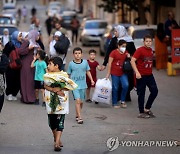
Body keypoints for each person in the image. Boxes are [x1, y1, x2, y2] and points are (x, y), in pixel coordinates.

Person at [44, 57, 77, 151]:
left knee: (60, 122)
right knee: (51, 123)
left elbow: (70, 86)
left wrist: (60, 89)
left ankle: (57, 143)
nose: (48, 66)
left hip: (62, 102)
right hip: (50, 102)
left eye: (50, 64)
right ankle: (56, 138)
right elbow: (45, 85)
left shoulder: (64, 76)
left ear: (56, 66)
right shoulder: (47, 76)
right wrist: (53, 89)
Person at [102, 25, 136, 102]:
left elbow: (134, 52)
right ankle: (118, 97)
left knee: (129, 82)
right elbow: (109, 52)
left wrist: (133, 59)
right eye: (114, 31)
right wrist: (105, 63)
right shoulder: (114, 40)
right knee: (117, 82)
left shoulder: (129, 40)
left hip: (127, 65)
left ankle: (126, 95)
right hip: (116, 64)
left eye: (116, 31)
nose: (115, 33)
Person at [131, 35, 158, 118]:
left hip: (149, 75)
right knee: (141, 94)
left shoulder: (151, 50)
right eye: (147, 41)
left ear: (151, 42)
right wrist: (137, 73)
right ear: (144, 42)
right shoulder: (140, 50)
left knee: (154, 91)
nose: (148, 43)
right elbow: (132, 61)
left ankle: (147, 108)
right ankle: (141, 112)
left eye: (150, 41)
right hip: (141, 75)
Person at [67, 47, 94, 124]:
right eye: (76, 53)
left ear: (81, 54)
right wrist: (66, 84)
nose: (77, 55)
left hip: (83, 85)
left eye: (79, 53)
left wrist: (91, 80)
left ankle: (77, 114)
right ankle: (80, 117)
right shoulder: (71, 64)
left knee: (81, 102)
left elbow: (88, 71)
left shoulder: (85, 62)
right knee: (77, 101)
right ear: (73, 55)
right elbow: (68, 74)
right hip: (74, 85)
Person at [105, 40, 130, 108]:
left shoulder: (126, 53)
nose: (124, 48)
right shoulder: (113, 53)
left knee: (126, 85)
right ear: (118, 46)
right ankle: (114, 103)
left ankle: (122, 100)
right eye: (122, 46)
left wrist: (129, 56)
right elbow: (109, 63)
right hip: (114, 73)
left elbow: (129, 60)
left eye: (125, 46)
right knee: (115, 88)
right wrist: (108, 73)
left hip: (123, 72)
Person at [19, 30, 42, 104]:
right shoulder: (27, 42)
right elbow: (20, 51)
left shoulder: (36, 44)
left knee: (31, 82)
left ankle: (31, 98)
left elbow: (41, 53)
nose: (38, 37)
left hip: (34, 64)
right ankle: (26, 98)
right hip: (26, 64)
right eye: (37, 35)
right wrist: (28, 49)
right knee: (27, 81)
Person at [3, 31, 22, 101]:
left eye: (21, 36)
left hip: (18, 66)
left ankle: (14, 94)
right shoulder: (9, 44)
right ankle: (9, 94)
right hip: (10, 66)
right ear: (15, 36)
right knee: (10, 80)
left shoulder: (21, 44)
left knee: (17, 81)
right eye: (19, 36)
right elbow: (5, 54)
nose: (21, 38)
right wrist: (8, 62)